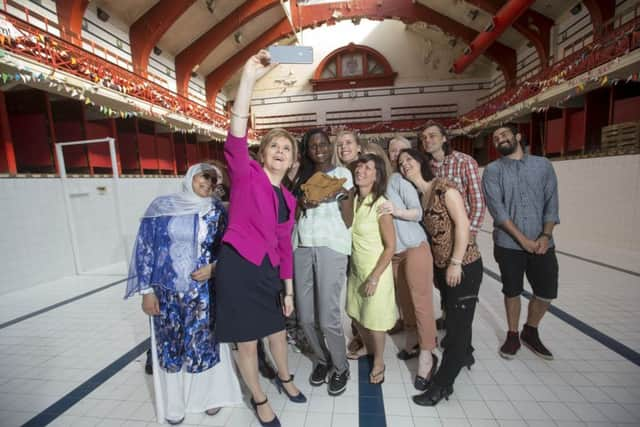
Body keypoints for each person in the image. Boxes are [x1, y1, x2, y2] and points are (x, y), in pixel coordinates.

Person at [214, 50, 306, 427]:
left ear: (292, 161)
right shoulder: (246, 173)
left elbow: (285, 246)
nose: (280, 152)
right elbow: (236, 134)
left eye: (287, 149)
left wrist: (287, 290)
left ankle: (284, 377)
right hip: (238, 267)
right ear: (263, 152)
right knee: (248, 341)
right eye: (274, 146)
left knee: (277, 333)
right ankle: (259, 397)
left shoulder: (288, 197)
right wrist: (248, 77)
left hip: (269, 273)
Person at [125, 163, 242, 425]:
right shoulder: (162, 208)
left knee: (204, 346)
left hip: (203, 295)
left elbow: (230, 249)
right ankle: (175, 403)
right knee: (171, 346)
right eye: (204, 177)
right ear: (191, 176)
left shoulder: (216, 211)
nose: (208, 184)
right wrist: (147, 290)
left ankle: (209, 398)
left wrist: (215, 269)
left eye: (214, 181)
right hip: (166, 293)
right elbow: (146, 249)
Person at [398, 149, 483, 406]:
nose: (404, 165)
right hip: (444, 268)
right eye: (400, 164)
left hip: (464, 265)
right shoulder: (421, 196)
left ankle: (442, 386)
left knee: (456, 330)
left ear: (422, 162)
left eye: (409, 160)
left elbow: (463, 225)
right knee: (456, 321)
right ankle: (465, 355)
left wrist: (456, 263)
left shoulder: (444, 188)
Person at [482, 124, 560, 361]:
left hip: (542, 243)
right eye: (496, 138)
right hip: (509, 244)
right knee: (512, 290)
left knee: (546, 292)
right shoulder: (493, 171)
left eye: (504, 135)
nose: (500, 139)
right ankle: (513, 333)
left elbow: (551, 203)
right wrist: (524, 241)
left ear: (517, 137)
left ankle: (531, 330)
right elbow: (498, 210)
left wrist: (545, 236)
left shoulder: (543, 165)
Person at [294, 128, 354, 396]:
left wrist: (342, 194)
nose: (318, 148)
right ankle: (321, 359)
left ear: (330, 147)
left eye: (323, 144)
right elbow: (295, 215)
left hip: (332, 245)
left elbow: (349, 218)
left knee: (328, 317)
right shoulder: (302, 177)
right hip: (304, 247)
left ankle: (341, 367)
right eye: (313, 145)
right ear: (307, 150)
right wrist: (304, 203)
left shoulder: (344, 174)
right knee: (305, 318)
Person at [420, 121, 484, 367]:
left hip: (461, 244)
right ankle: (457, 340)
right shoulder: (427, 168)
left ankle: (463, 351)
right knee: (447, 294)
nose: (428, 140)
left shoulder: (464, 162)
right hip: (438, 247)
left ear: (445, 138)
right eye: (424, 137)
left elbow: (477, 203)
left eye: (433, 135)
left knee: (461, 302)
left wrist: (468, 238)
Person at [380, 136, 438, 391]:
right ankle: (414, 340)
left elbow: (417, 212)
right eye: (392, 151)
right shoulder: (382, 182)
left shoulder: (397, 181)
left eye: (401, 152)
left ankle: (428, 354)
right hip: (395, 253)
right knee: (405, 302)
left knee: (421, 303)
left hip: (414, 247)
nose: (396, 156)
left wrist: (396, 211)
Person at [346, 153, 396, 384]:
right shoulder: (353, 199)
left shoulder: (381, 205)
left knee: (375, 322)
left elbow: (390, 247)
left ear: (377, 175)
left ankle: (379, 361)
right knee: (355, 314)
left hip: (376, 271)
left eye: (368, 168)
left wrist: (375, 277)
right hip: (357, 270)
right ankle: (367, 347)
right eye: (359, 166)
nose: (360, 171)